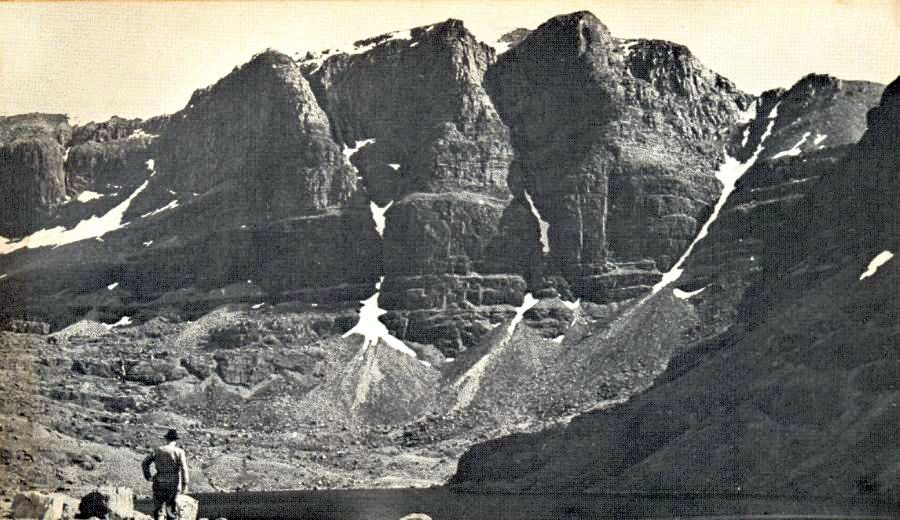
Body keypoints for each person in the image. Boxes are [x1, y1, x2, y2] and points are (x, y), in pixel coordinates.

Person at [142, 429, 190, 520]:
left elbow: (145, 463)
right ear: (175, 441)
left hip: (159, 481)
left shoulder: (157, 450)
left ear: (166, 439)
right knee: (171, 509)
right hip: (173, 483)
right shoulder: (179, 452)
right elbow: (184, 468)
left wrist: (148, 476)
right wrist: (185, 484)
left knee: (159, 508)